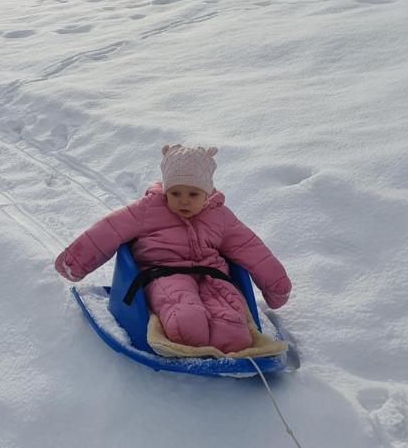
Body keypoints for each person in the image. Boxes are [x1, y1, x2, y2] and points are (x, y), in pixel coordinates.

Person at [55, 145, 292, 354]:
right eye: (175, 193)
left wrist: (276, 286)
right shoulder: (148, 209)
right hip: (163, 275)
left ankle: (225, 341)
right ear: (166, 190)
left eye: (193, 194)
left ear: (207, 193)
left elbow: (250, 248)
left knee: (233, 332)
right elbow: (108, 230)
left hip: (212, 278)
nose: (184, 201)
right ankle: (190, 335)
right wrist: (75, 262)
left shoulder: (220, 217)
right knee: (186, 323)